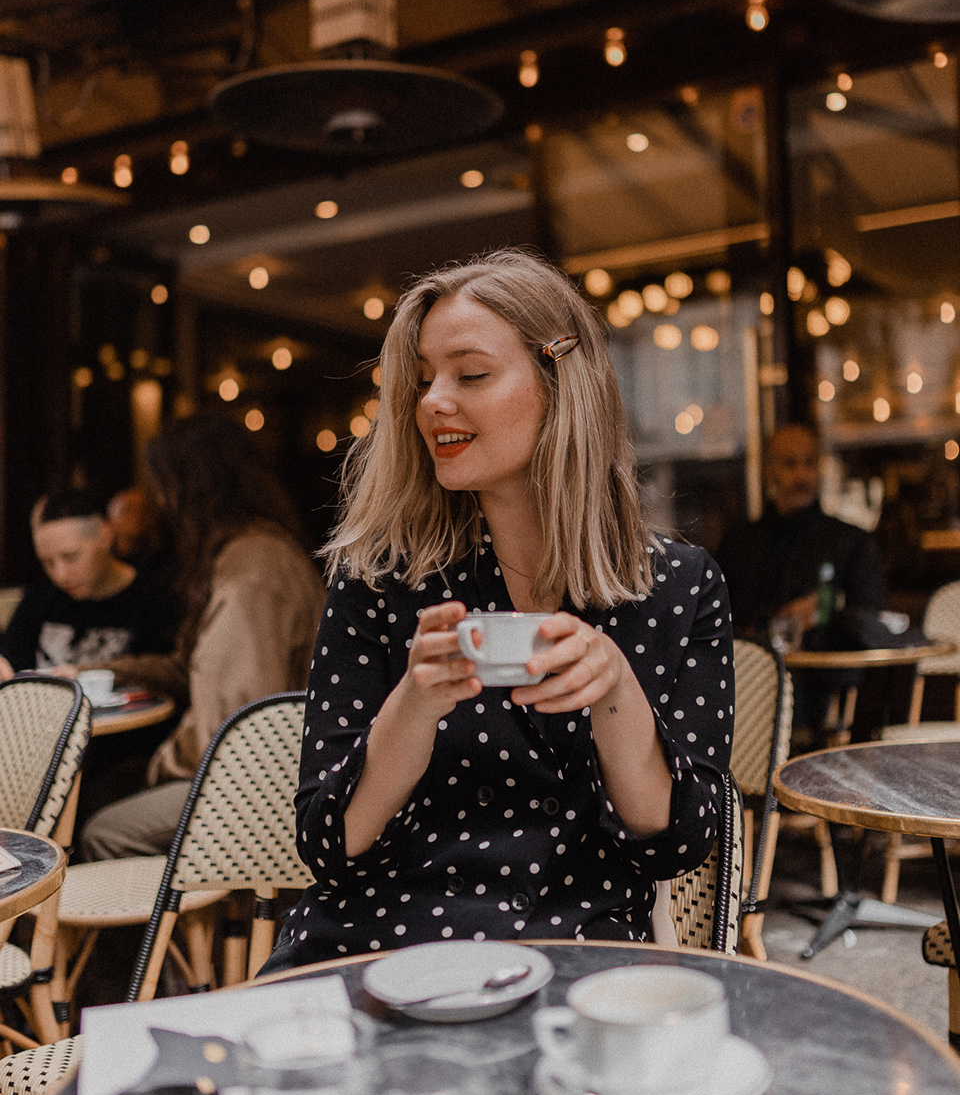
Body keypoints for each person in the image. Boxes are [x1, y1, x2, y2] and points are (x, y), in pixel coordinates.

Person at [261, 250, 733, 973]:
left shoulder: (675, 587)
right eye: (422, 381)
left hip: (573, 958)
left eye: (470, 375)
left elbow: (678, 840)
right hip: (375, 953)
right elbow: (329, 846)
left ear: (560, 384)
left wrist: (614, 687)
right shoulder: (383, 578)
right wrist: (415, 704)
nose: (432, 402)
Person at [81, 414, 327, 860]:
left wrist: (159, 764)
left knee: (104, 828)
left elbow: (234, 722)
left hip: (266, 786)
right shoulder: (253, 549)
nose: (160, 501)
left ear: (190, 488)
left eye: (163, 485)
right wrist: (98, 671)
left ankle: (160, 928)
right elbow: (188, 668)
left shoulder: (249, 573)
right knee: (99, 791)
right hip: (267, 767)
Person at [716, 423, 886, 641]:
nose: (802, 476)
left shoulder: (852, 541)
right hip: (755, 669)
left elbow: (874, 619)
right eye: (790, 464)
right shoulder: (739, 543)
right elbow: (721, 616)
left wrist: (825, 610)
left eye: (809, 463)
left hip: (825, 671)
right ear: (769, 471)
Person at [0, 488, 179, 679]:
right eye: (47, 562)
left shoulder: (158, 601)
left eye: (71, 557)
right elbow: (11, 663)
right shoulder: (39, 600)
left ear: (106, 536)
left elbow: (171, 677)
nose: (61, 575)